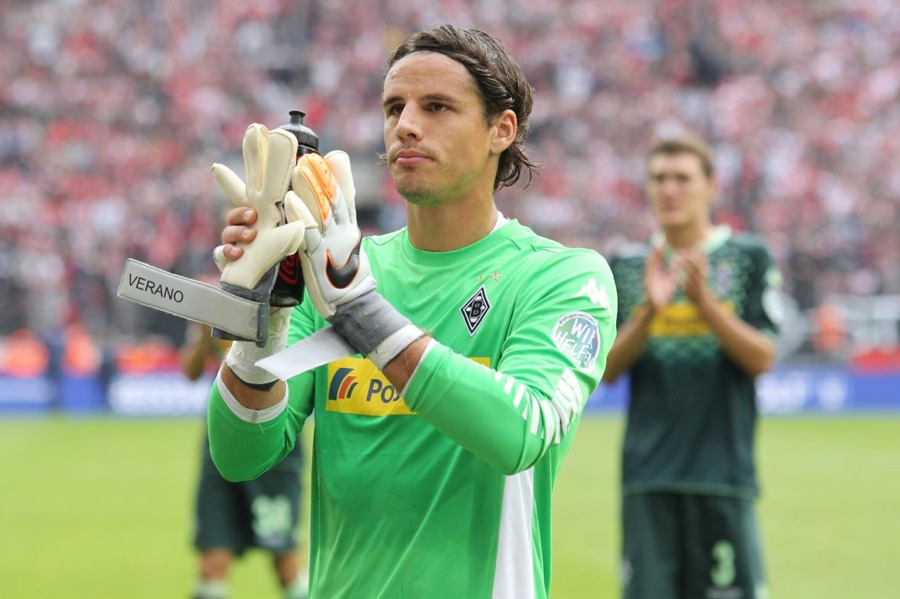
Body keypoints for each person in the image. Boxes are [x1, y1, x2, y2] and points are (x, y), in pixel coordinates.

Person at [206, 25, 617, 598]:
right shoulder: (339, 269)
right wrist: (257, 325)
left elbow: (521, 432)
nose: (406, 125)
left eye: (438, 106)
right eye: (394, 107)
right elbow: (239, 454)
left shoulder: (561, 276)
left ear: (502, 129)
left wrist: (361, 311)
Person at [602, 135, 782, 599]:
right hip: (648, 476)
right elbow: (606, 370)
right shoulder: (626, 264)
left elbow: (763, 357)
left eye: (682, 178)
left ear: (711, 186)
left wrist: (706, 304)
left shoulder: (748, 257)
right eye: (659, 178)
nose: (669, 189)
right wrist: (648, 313)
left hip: (723, 475)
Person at [179, 320, 309, 599]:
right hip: (221, 446)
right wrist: (204, 336)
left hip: (275, 446)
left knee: (284, 561)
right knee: (212, 559)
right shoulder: (218, 302)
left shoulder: (296, 301)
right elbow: (190, 371)